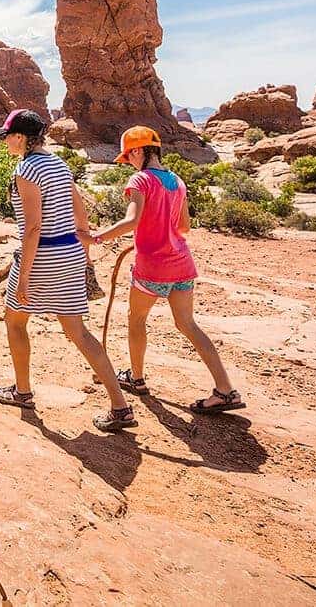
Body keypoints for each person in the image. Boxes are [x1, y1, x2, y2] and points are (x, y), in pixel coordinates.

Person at [0, 109, 137, 432]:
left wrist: (23, 277)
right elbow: (81, 214)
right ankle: (120, 406)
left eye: (8, 137)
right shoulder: (59, 164)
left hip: (42, 256)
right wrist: (85, 255)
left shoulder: (26, 169)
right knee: (78, 332)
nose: (6, 142)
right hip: (68, 253)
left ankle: (22, 392)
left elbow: (32, 228)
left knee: (15, 321)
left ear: (21, 138)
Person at [91, 126, 245, 414]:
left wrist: (96, 238)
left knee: (136, 320)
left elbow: (132, 221)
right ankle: (225, 390)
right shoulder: (177, 180)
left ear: (138, 150)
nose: (129, 162)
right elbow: (184, 226)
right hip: (182, 263)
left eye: (129, 156)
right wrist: (160, 232)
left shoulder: (140, 179)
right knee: (188, 325)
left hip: (153, 267)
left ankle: (136, 379)